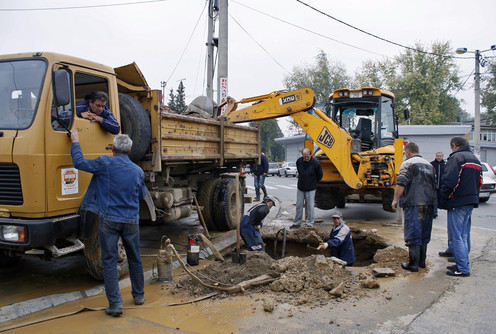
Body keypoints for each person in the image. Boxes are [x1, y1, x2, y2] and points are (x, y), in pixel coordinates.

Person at [70, 130, 146, 316]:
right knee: (135, 258)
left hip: (109, 220)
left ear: (112, 149)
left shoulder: (104, 163)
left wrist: (75, 142)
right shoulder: (138, 171)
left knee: (110, 262)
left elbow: (79, 163)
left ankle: (115, 305)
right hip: (130, 221)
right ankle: (139, 296)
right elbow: (142, 195)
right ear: (129, 151)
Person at [439, 137, 481, 277]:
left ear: (455, 146)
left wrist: (443, 198)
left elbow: (450, 181)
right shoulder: (475, 159)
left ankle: (462, 268)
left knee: (457, 236)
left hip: (458, 202)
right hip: (470, 201)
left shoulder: (456, 158)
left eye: (451, 147)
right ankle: (462, 263)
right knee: (464, 234)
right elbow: (479, 182)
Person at [392, 142, 436, 272]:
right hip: (429, 203)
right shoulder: (429, 165)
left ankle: (413, 264)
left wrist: (395, 200)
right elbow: (435, 186)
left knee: (413, 233)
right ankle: (422, 262)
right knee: (424, 232)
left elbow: (401, 183)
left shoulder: (407, 164)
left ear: (407, 152)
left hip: (414, 203)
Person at [291, 148, 323, 228]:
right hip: (301, 187)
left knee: (310, 206)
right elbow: (300, 171)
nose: (306, 158)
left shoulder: (315, 163)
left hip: (311, 188)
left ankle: (310, 222)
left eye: (307, 156)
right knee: (299, 205)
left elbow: (320, 175)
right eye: (304, 156)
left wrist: (314, 182)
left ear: (310, 155)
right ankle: (297, 222)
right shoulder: (299, 161)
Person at [430, 152, 445, 219]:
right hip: (433, 186)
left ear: (442, 156)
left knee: (440, 199)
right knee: (434, 199)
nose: (439, 157)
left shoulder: (445, 165)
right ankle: (434, 212)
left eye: (440, 156)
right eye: (438, 156)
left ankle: (437, 209)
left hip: (442, 186)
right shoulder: (431, 164)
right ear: (436, 156)